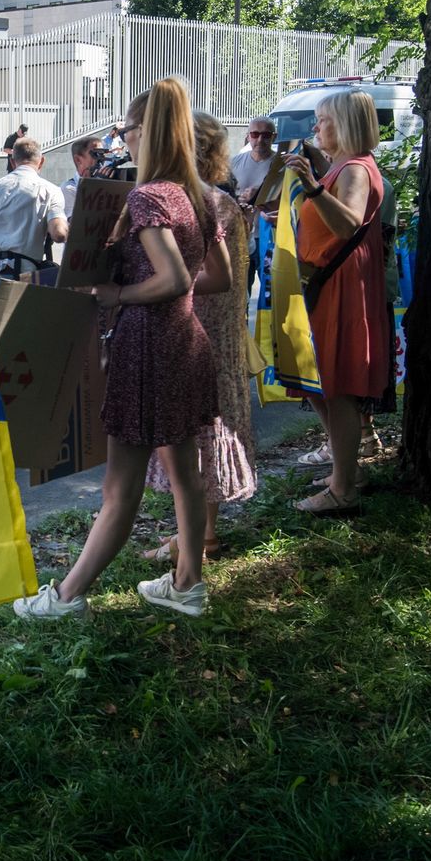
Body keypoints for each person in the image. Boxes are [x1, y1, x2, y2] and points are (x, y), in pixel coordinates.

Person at [14, 78, 231, 621]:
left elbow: (175, 278)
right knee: (185, 474)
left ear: (147, 131)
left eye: (126, 130)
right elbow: (213, 278)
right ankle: (186, 585)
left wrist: (118, 291)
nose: (121, 140)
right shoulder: (198, 196)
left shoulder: (149, 195)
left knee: (120, 487)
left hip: (147, 348)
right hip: (185, 343)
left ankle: (64, 598)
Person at [143, 110, 255, 561]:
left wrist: (157, 284)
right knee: (202, 427)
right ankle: (195, 534)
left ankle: (200, 538)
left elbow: (217, 276)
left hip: (201, 327)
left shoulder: (204, 200)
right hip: (212, 328)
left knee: (199, 429)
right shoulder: (216, 198)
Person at [284, 90, 390, 516]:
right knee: (319, 382)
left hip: (342, 285)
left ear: (343, 123)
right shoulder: (344, 167)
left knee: (337, 385)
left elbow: (347, 224)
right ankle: (345, 468)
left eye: (322, 120)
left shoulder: (355, 169)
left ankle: (343, 487)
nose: (316, 128)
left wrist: (312, 189)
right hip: (330, 283)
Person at [0, 138, 69, 278]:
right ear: (41, 161)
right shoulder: (50, 190)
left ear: (12, 161)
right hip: (24, 278)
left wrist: (1, 241)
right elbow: (59, 234)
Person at [231, 116, 278, 291]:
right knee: (242, 291)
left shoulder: (282, 165)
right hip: (244, 236)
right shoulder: (234, 162)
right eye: (255, 134)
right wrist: (239, 199)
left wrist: (264, 194)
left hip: (271, 236)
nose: (260, 139)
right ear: (247, 136)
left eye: (266, 135)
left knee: (270, 293)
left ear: (274, 137)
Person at [61, 136, 102, 217]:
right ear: (78, 160)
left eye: (102, 153)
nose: (101, 158)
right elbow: (75, 223)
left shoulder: (104, 181)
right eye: (96, 154)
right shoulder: (69, 188)